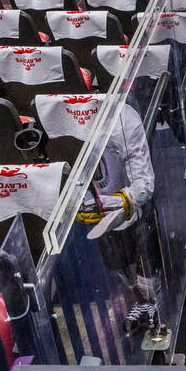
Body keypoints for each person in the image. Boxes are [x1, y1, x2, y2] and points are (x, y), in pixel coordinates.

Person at [75, 101, 161, 334]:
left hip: (132, 213)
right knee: (121, 269)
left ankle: (157, 305)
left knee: (147, 269)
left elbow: (145, 184)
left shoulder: (125, 120)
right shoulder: (61, 117)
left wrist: (119, 201)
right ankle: (143, 303)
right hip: (100, 221)